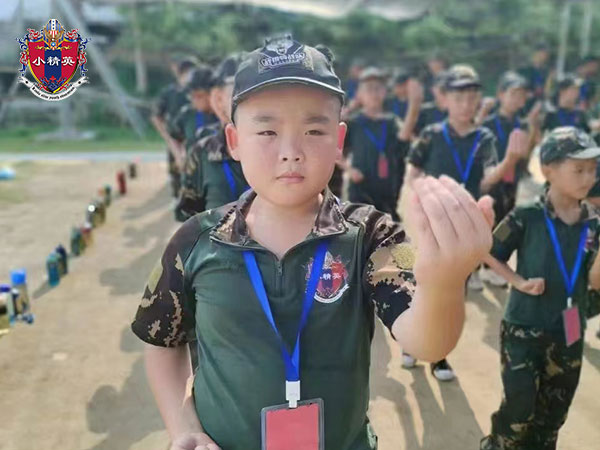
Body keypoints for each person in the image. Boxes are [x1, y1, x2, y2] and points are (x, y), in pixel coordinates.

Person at [131, 37, 494, 450]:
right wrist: (183, 427)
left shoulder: (372, 234)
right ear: (234, 141)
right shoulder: (196, 239)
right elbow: (162, 342)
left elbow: (426, 342)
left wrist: (443, 282)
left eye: (314, 130)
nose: (291, 152)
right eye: (267, 130)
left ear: (339, 141)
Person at [404, 64, 528, 380]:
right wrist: (421, 193)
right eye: (458, 98)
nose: (465, 104)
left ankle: (439, 355)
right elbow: (413, 170)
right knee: (422, 281)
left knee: (453, 290)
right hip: (432, 222)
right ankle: (411, 341)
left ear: (478, 101)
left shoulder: (484, 137)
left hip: (464, 227)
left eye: (472, 98)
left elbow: (487, 180)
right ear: (445, 100)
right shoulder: (432, 134)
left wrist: (510, 161)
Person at [481, 126, 600, 450]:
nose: (588, 178)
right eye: (578, 169)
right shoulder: (527, 215)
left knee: (552, 417)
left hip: (570, 332)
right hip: (524, 328)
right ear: (548, 170)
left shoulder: (593, 223)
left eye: (592, 169)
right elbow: (490, 252)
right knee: (518, 413)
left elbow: (595, 282)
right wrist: (518, 281)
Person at [176, 53, 248, 222]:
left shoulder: (287, 153)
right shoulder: (202, 153)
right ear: (217, 99)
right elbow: (190, 216)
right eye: (241, 92)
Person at [344, 67, 421, 221]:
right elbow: (333, 147)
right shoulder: (354, 122)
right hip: (361, 191)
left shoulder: (392, 121)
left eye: (378, 88)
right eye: (369, 89)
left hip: (389, 193)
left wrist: (414, 104)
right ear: (359, 94)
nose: (374, 93)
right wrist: (349, 169)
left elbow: (404, 136)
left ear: (385, 92)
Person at [152, 57, 198, 198]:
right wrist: (173, 146)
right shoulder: (169, 94)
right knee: (178, 185)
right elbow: (157, 117)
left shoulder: (200, 93)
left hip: (196, 143)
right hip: (176, 141)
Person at [170, 64, 218, 156]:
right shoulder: (187, 114)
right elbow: (174, 136)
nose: (194, 100)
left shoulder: (224, 116)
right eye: (192, 96)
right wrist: (179, 154)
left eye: (199, 96)